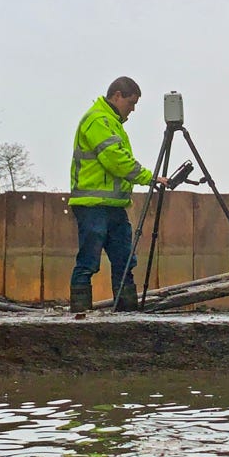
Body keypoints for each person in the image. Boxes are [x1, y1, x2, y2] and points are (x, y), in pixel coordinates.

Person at [68, 76, 168, 313]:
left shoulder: (112, 123)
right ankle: (80, 312)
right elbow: (116, 160)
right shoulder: (97, 120)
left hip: (113, 206)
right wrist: (149, 178)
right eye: (131, 103)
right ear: (117, 96)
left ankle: (127, 312)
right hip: (92, 205)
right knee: (88, 261)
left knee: (124, 260)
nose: (132, 109)